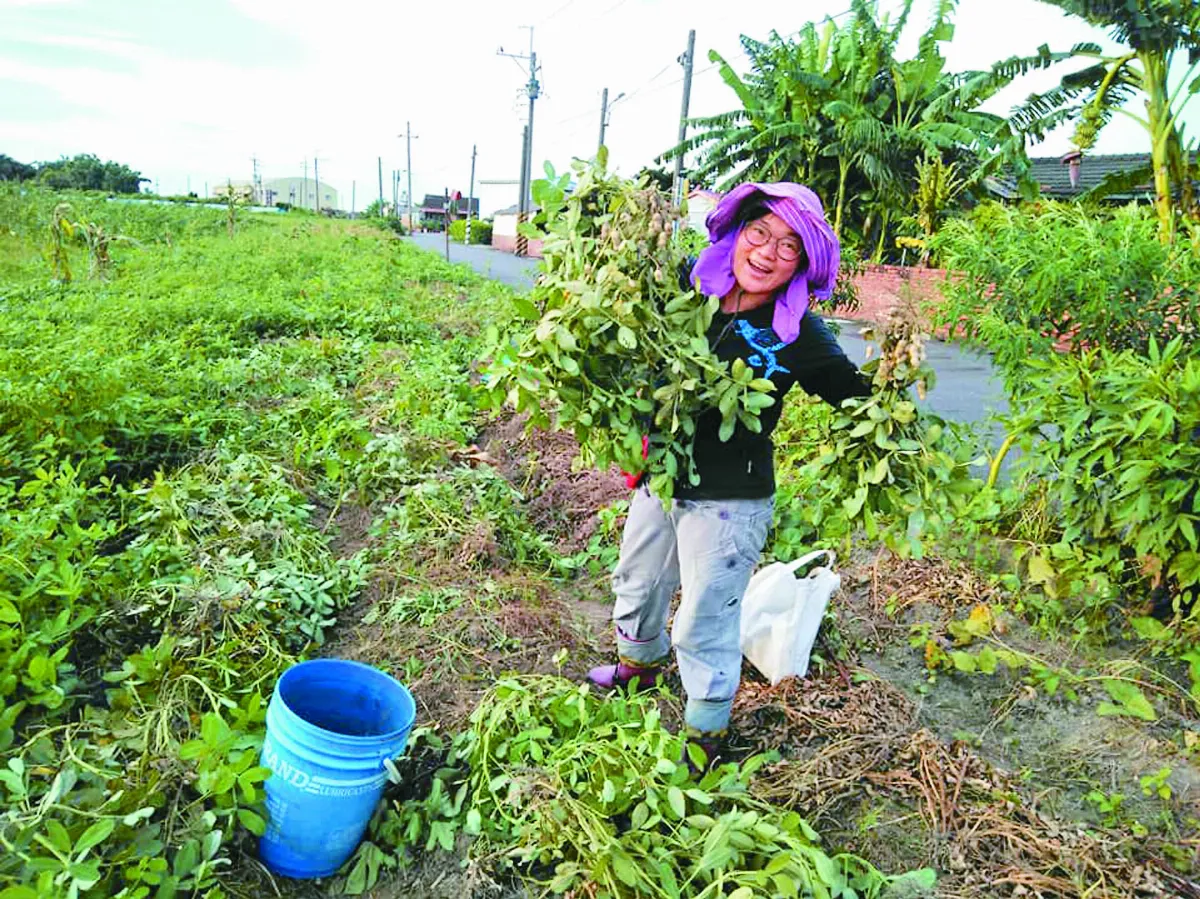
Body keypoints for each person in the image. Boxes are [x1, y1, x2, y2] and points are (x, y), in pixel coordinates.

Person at [586, 182, 869, 767]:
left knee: (706, 619)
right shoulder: (691, 287)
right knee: (636, 583)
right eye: (759, 233)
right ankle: (639, 667)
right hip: (662, 475)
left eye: (788, 247)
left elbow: (856, 399)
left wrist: (891, 391)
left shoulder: (801, 334)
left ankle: (705, 732)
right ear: (738, 233)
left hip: (731, 499)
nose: (766, 253)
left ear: (804, 263)